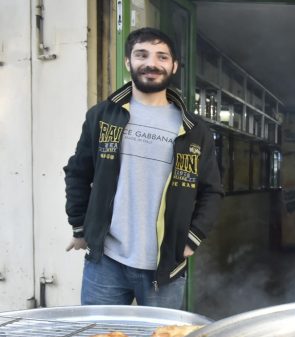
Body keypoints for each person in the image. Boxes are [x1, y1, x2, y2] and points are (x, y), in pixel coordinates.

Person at [64, 27, 223, 309]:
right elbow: (78, 172)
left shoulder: (195, 130)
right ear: (128, 62)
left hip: (165, 266)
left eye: (162, 56)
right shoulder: (103, 116)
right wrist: (79, 225)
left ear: (173, 66)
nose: (151, 63)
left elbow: (212, 192)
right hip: (106, 261)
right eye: (142, 55)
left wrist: (191, 240)